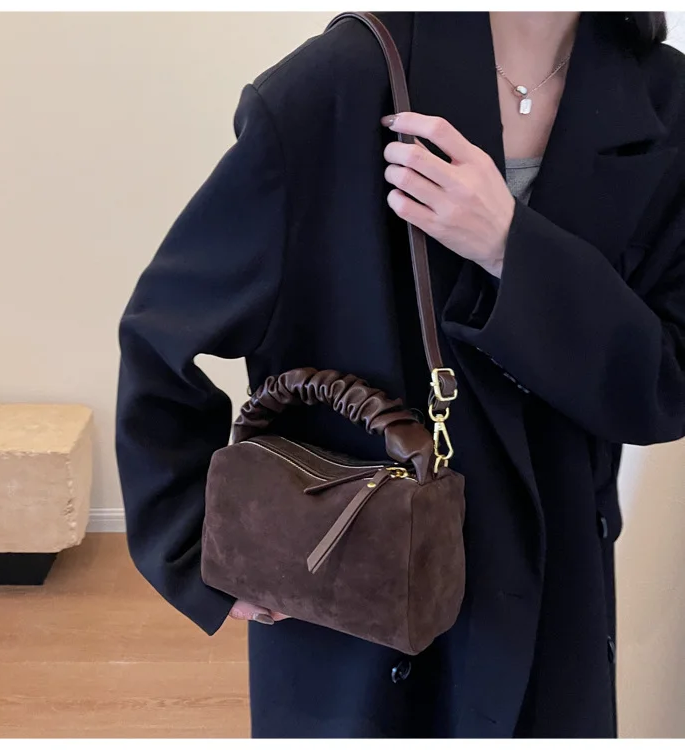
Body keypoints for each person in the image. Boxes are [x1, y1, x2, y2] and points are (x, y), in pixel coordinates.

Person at [115, 11, 685, 738]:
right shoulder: (336, 85)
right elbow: (163, 332)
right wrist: (197, 546)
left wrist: (511, 246)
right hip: (353, 587)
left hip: (556, 598)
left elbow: (664, 384)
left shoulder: (664, 101)